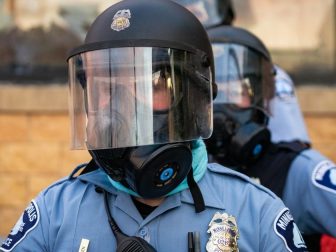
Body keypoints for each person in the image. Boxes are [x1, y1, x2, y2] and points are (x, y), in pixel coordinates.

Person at [0, 0, 307, 251]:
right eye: (106, 89)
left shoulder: (256, 212)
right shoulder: (55, 211)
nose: (123, 107)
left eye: (150, 86)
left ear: (195, 97)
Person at [204, 24, 336, 251]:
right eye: (213, 93)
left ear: (263, 99)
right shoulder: (181, 175)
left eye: (237, 92)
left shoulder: (298, 171)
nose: (222, 106)